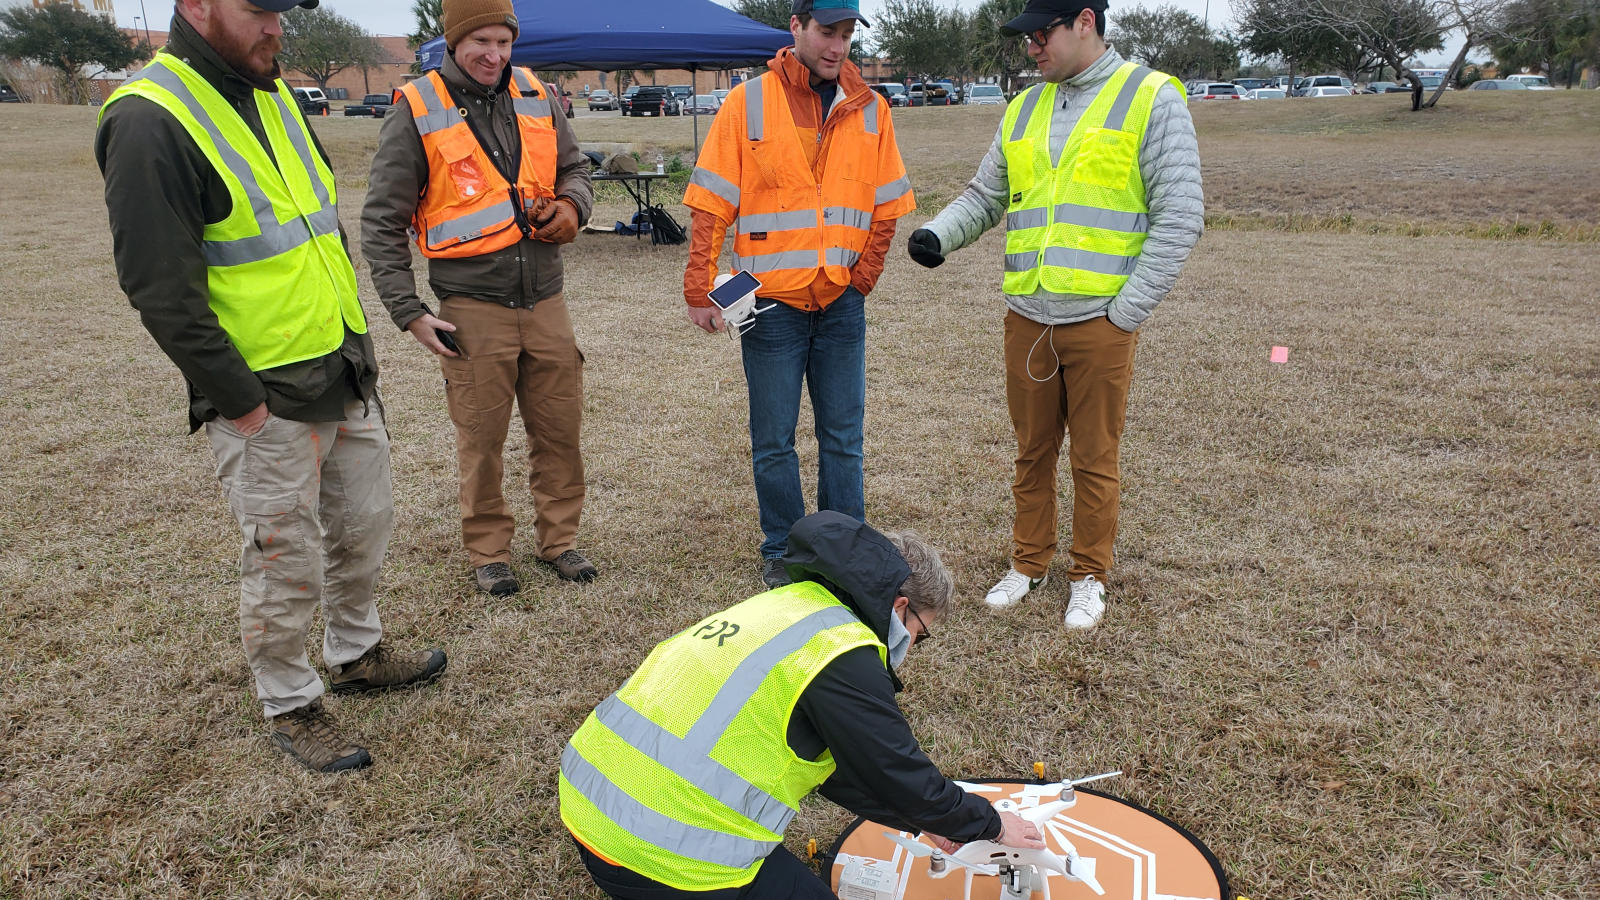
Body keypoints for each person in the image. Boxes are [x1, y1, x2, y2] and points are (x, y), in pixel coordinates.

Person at [95, 0, 447, 773]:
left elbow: (314, 228)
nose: (276, 28)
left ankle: (356, 654)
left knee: (364, 526)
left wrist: (358, 346)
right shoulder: (149, 118)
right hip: (263, 395)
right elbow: (160, 289)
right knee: (285, 558)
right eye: (258, 11)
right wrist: (240, 403)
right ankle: (290, 701)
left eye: (280, 12)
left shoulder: (274, 91)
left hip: (340, 366)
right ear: (196, 6)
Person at [560, 512, 1046, 899]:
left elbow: (837, 768)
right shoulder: (844, 650)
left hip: (588, 812)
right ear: (900, 607)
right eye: (922, 631)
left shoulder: (789, 604)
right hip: (664, 856)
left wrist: (925, 823)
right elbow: (894, 767)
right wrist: (990, 822)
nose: (913, 646)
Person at [907, 0, 1203, 629]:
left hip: (1101, 320)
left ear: (1086, 22)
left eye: (1043, 35)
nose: (1032, 49)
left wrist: (1126, 313)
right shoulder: (1023, 107)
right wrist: (937, 234)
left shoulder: (1150, 98)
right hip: (1028, 316)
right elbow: (986, 195)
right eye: (1027, 39)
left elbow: (1180, 216)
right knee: (1031, 451)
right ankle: (1029, 562)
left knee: (1095, 456)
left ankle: (1089, 575)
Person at [361, 0, 597, 597]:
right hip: (470, 306)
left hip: (546, 300)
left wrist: (572, 210)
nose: (495, 55)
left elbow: (576, 171)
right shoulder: (418, 107)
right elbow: (382, 222)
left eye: (504, 41)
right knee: (481, 439)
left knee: (560, 432)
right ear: (453, 40)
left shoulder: (536, 93)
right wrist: (407, 310)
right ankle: (488, 552)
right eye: (481, 42)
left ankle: (560, 542)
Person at [681, 0, 916, 589]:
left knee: (843, 438)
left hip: (841, 303)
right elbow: (711, 201)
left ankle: (843, 546)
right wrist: (700, 286)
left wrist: (862, 278)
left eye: (845, 34)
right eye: (825, 31)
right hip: (767, 305)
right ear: (797, 28)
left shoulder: (871, 109)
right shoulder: (748, 102)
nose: (837, 46)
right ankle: (783, 550)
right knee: (773, 440)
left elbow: (887, 207)